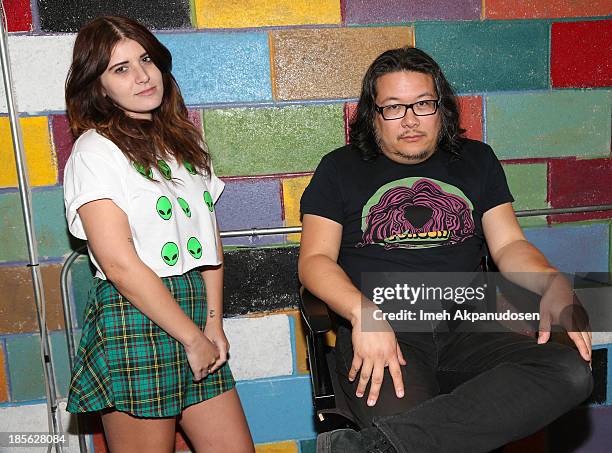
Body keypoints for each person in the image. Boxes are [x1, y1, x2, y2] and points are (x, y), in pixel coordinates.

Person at [298, 47, 593, 453]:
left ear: (441, 108)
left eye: (422, 103)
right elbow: (314, 261)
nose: (411, 119)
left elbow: (509, 245)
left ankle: (368, 448)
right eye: (394, 108)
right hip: (385, 328)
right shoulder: (338, 168)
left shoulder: (477, 160)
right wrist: (361, 312)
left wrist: (550, 279)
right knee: (421, 433)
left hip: (467, 325)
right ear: (372, 114)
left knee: (571, 372)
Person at [63, 16, 254, 452]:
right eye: (121, 68)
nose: (143, 75)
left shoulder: (186, 142)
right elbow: (118, 262)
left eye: (146, 59)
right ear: (99, 86)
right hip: (136, 314)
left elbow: (210, 242)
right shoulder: (95, 151)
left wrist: (212, 324)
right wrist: (191, 336)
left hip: (194, 308)